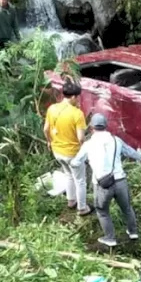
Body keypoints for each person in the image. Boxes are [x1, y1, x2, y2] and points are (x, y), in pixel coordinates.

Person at [71, 114, 141, 247]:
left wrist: (76, 164)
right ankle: (133, 232)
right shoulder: (116, 140)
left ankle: (110, 238)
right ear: (106, 126)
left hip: (102, 184)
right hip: (120, 180)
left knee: (102, 211)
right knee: (127, 208)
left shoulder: (88, 144)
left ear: (92, 127)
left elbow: (76, 162)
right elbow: (131, 152)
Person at [43, 80, 93, 216]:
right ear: (73, 97)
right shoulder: (77, 114)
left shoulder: (52, 108)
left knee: (68, 175)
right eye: (78, 97)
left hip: (57, 151)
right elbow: (81, 138)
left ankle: (71, 200)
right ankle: (82, 208)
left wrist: (49, 142)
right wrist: (85, 149)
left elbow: (46, 129)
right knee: (80, 180)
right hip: (72, 153)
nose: (79, 100)